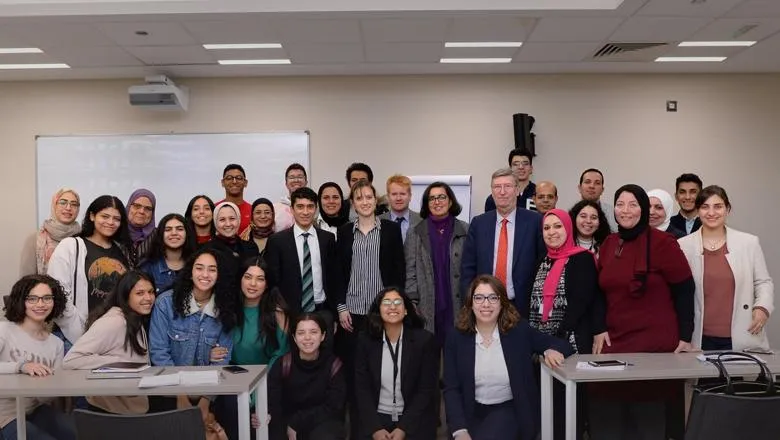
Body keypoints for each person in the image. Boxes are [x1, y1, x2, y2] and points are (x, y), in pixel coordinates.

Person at [589, 184, 695, 440]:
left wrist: (685, 336)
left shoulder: (663, 243)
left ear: (644, 209)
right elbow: (599, 292)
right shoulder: (609, 243)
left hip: (653, 345)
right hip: (615, 341)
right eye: (620, 204)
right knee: (607, 416)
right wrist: (599, 329)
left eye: (633, 204)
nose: (625, 211)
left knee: (647, 421)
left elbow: (684, 289)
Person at [443, 274, 573, 440]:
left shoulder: (519, 331)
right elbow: (451, 389)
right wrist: (460, 430)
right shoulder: (456, 337)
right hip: (470, 413)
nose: (486, 304)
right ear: (470, 303)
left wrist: (548, 350)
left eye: (493, 298)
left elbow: (563, 345)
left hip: (508, 411)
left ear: (502, 303)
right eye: (479, 298)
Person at [529, 209, 606, 440]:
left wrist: (556, 341)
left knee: (569, 408)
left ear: (568, 228)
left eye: (557, 226)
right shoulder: (542, 260)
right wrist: (540, 343)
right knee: (548, 408)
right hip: (542, 349)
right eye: (547, 228)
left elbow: (581, 303)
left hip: (569, 346)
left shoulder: (582, 258)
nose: (552, 232)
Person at [335, 179, 405, 436]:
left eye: (369, 197)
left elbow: (397, 270)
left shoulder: (390, 230)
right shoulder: (343, 233)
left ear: (376, 201)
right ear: (353, 203)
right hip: (351, 315)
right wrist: (341, 308)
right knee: (356, 378)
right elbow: (338, 274)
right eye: (359, 198)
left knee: (381, 374)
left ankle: (383, 429)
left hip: (381, 313)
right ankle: (359, 432)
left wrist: (395, 308)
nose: (364, 202)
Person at [678, 185, 773, 351]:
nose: (711, 213)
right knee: (700, 376)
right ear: (698, 211)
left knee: (740, 376)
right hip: (699, 337)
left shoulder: (748, 243)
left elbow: (763, 282)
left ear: (727, 209)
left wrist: (762, 308)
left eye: (718, 206)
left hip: (742, 333)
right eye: (705, 207)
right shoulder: (683, 245)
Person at [149, 248, 237, 426]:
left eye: (212, 269)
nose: (205, 274)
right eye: (199, 268)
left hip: (210, 393)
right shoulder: (165, 303)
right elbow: (159, 352)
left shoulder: (226, 309)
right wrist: (180, 395)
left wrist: (206, 400)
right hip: (170, 391)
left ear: (219, 275)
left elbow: (222, 359)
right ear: (190, 272)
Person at [211, 258, 290, 440]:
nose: (253, 284)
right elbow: (217, 344)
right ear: (240, 279)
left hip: (268, 384)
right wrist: (210, 352)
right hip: (232, 382)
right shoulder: (227, 309)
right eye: (248, 277)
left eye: (260, 279)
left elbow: (279, 357)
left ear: (267, 284)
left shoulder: (277, 313)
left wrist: (255, 395)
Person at [62, 270, 155, 414]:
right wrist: (116, 362)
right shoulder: (114, 321)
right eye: (140, 293)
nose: (148, 298)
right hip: (110, 414)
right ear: (125, 296)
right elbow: (71, 359)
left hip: (131, 410)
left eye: (151, 292)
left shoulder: (135, 318)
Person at [354, 288, 439, 440]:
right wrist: (376, 429)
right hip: (376, 418)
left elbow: (425, 390)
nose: (392, 307)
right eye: (386, 302)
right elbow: (362, 388)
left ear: (406, 310)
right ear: (379, 310)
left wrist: (403, 428)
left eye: (398, 302)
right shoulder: (365, 341)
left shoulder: (424, 341)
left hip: (412, 419)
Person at [47, 195, 131, 345]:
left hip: (113, 338)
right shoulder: (70, 246)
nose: (111, 222)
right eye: (105, 216)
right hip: (74, 338)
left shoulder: (123, 251)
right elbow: (57, 293)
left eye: (116, 219)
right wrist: (80, 334)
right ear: (92, 216)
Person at [0, 274, 75, 440]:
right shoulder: (4, 330)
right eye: (32, 299)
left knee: (76, 434)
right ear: (21, 301)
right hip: (4, 416)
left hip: (34, 411)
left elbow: (51, 393)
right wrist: (21, 366)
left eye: (47, 298)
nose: (40, 304)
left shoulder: (56, 344)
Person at [461, 168, 545, 318]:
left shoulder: (535, 221)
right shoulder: (479, 223)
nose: (502, 192)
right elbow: (468, 268)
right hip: (485, 306)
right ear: (492, 192)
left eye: (507, 186)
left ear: (517, 190)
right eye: (497, 187)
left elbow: (542, 265)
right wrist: (469, 303)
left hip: (522, 306)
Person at [265, 187, 340, 331]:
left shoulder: (327, 239)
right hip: (289, 313)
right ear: (292, 210)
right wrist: (279, 312)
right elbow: (272, 280)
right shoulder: (277, 241)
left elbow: (334, 278)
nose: (305, 212)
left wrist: (335, 315)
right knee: (293, 353)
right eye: (300, 207)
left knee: (325, 352)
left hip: (323, 310)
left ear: (316, 209)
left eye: (310, 207)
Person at [405, 181, 468, 347]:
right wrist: (412, 301)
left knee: (456, 353)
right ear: (426, 203)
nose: (437, 202)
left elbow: (470, 269)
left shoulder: (465, 230)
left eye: (441, 197)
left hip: (457, 302)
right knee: (429, 357)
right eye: (431, 198)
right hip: (426, 304)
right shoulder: (415, 231)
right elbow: (409, 270)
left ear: (451, 201)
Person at [267, 313, 346, 440]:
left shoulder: (334, 365)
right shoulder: (283, 364)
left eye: (313, 332)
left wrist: (296, 423)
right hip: (286, 421)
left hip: (323, 422)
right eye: (301, 333)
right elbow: (273, 402)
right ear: (294, 337)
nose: (307, 338)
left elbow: (333, 406)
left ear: (323, 336)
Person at [20, 188, 81, 276]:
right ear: (54, 205)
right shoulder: (35, 239)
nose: (68, 208)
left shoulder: (83, 238)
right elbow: (26, 281)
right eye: (63, 202)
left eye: (74, 204)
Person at [141, 214, 197, 294]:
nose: (174, 233)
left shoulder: (197, 264)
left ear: (187, 234)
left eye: (179, 229)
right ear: (161, 234)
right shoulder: (148, 267)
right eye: (168, 229)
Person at [205, 201, 260, 275]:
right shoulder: (206, 250)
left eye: (232, 218)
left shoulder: (251, 248)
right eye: (222, 220)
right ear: (215, 222)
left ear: (239, 219)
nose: (228, 224)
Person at [379, 175, 422, 244]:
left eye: (402, 194)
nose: (398, 198)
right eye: (394, 194)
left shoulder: (422, 220)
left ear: (410, 196)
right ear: (388, 197)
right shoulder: (378, 222)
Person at [219, 164, 252, 237]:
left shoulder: (253, 211)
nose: (234, 181)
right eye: (229, 178)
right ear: (222, 183)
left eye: (239, 178)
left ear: (245, 183)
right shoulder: (214, 209)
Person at [126, 188, 157, 267]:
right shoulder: (115, 232)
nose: (142, 211)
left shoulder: (159, 236)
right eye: (137, 206)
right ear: (129, 206)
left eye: (148, 208)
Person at [274, 163, 309, 232]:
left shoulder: (313, 207)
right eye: (292, 177)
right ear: (286, 184)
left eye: (300, 177)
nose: (296, 180)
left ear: (306, 182)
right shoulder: (275, 209)